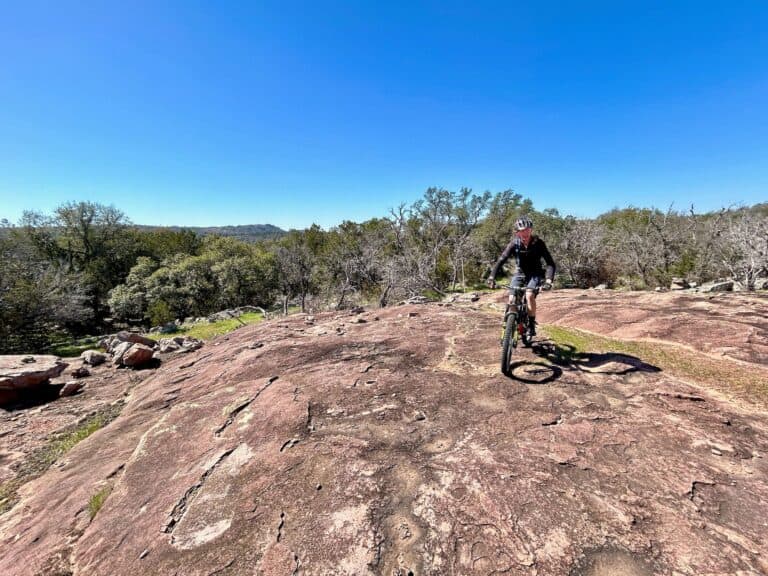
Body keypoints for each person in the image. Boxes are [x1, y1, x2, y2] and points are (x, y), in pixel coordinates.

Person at [486, 216, 556, 337]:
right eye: (521, 231)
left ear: (531, 230)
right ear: (517, 232)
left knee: (529, 295)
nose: (525, 233)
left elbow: (550, 263)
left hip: (535, 274)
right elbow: (501, 260)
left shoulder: (538, 243)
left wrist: (548, 280)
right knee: (511, 299)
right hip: (520, 273)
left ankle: (532, 325)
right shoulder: (515, 243)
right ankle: (510, 326)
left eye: (527, 230)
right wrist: (492, 277)